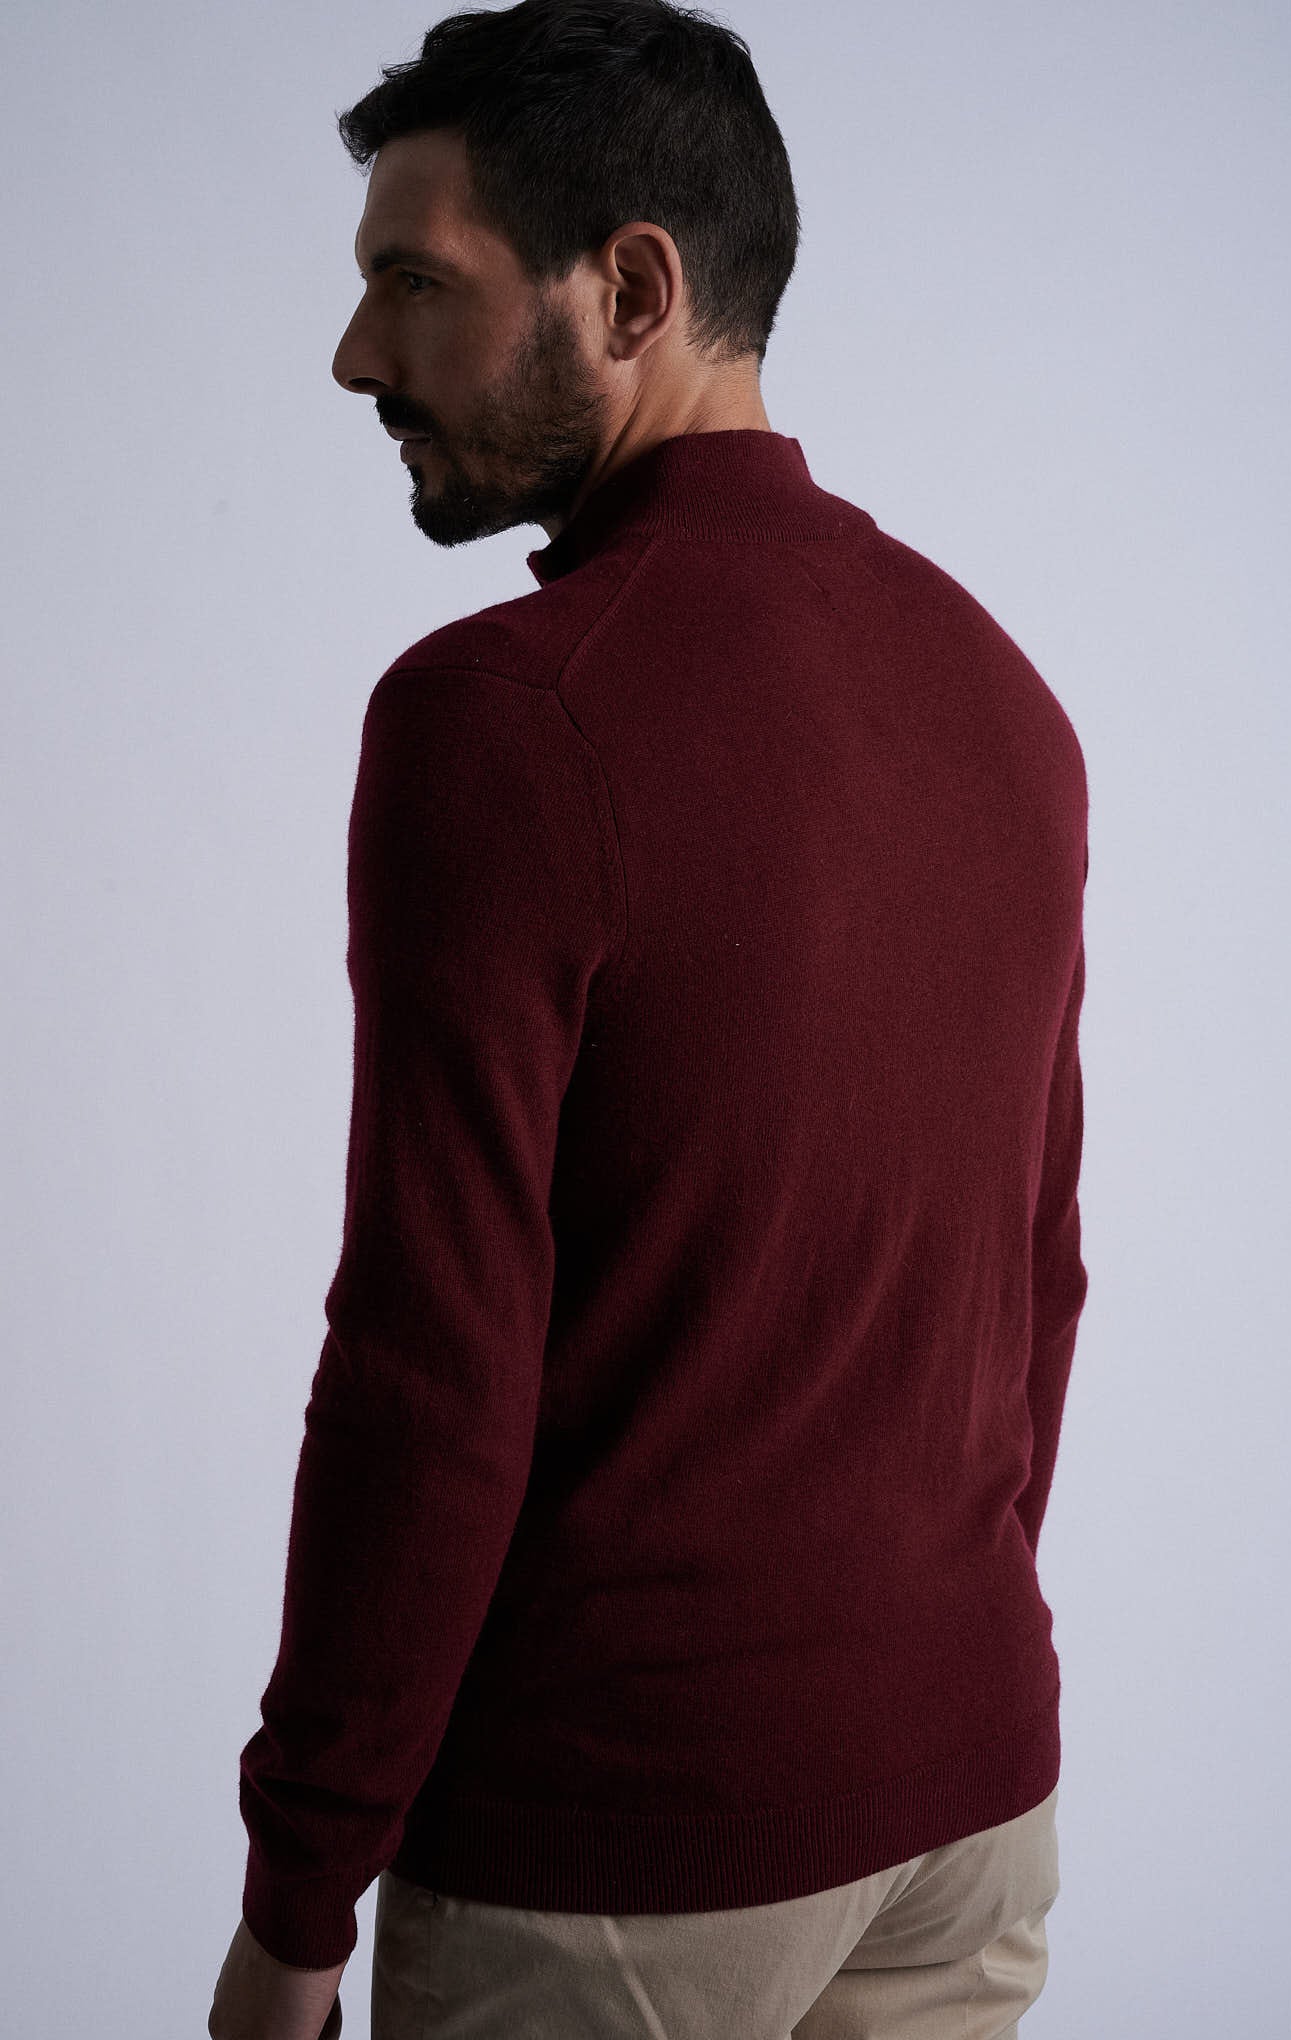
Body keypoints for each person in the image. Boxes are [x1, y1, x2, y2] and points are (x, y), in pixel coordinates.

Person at [208, 4, 1088, 2036]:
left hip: (624, 1855)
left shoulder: (503, 721)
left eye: (414, 283)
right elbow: (1032, 1276)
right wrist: (911, 1671)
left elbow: (431, 1362)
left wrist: (298, 1902)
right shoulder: (997, 690)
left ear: (629, 290)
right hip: (967, 1803)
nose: (356, 355)